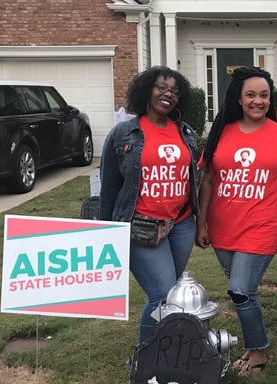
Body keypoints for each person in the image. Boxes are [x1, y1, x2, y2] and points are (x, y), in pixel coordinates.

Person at [195, 66, 277, 376]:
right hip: (223, 227)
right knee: (240, 289)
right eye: (251, 95)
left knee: (241, 290)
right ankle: (252, 345)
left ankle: (258, 351)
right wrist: (202, 223)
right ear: (239, 99)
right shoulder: (221, 133)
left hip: (261, 227)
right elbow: (207, 181)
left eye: (264, 95)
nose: (258, 101)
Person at [99, 66, 198, 344]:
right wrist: (105, 232)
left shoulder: (184, 132)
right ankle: (146, 357)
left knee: (171, 296)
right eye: (161, 87)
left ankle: (168, 348)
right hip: (141, 227)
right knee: (162, 294)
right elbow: (108, 187)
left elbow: (193, 179)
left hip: (181, 224)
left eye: (175, 91)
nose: (168, 95)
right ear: (146, 90)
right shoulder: (123, 133)